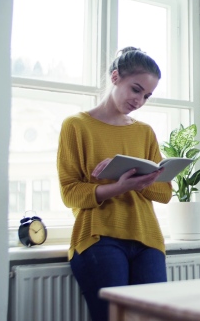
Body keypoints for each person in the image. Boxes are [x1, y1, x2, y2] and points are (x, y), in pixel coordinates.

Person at [57, 47, 172, 321]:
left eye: (146, 96)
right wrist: (118, 187)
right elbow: (70, 193)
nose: (139, 100)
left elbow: (165, 194)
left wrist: (139, 180)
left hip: (147, 239)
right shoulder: (76, 126)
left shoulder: (144, 132)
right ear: (115, 77)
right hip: (98, 238)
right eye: (135, 89)